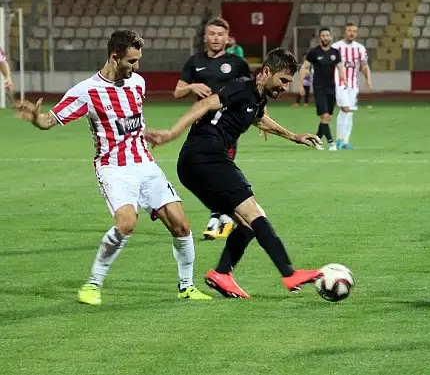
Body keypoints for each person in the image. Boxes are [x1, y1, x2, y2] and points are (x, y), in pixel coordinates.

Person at [13, 30, 211, 305]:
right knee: (127, 223)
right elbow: (49, 121)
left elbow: (130, 121)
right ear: (114, 57)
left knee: (182, 226)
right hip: (114, 168)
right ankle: (93, 284)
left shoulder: (137, 83)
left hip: (145, 164)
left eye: (138, 60)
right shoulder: (86, 91)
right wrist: (36, 118)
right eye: (131, 61)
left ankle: (187, 286)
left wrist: (147, 133)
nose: (136, 67)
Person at [144, 48, 323, 298]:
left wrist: (293, 136)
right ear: (266, 71)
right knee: (255, 214)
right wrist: (171, 133)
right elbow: (206, 103)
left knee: (248, 224)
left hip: (195, 164)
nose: (285, 87)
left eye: (288, 82)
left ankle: (222, 274)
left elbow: (259, 119)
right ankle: (289, 273)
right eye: (283, 80)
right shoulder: (241, 87)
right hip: (206, 156)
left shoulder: (257, 98)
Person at [172, 17, 251, 240]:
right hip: (200, 128)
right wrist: (192, 86)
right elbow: (177, 92)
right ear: (205, 37)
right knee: (199, 173)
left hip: (226, 129)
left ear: (227, 38)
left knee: (217, 174)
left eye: (220, 34)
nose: (216, 38)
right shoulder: (194, 62)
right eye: (212, 34)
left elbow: (252, 93)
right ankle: (225, 215)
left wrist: (261, 116)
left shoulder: (237, 64)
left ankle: (218, 217)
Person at [298, 27, 346, 151]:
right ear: (320, 38)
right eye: (323, 36)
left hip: (331, 88)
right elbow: (304, 67)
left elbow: (340, 67)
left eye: (327, 35)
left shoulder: (335, 52)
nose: (325, 38)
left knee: (327, 118)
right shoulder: (314, 52)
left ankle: (316, 139)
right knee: (324, 116)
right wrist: (300, 84)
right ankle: (331, 143)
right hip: (319, 88)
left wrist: (344, 79)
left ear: (331, 37)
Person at [332, 23, 372, 150]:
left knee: (349, 112)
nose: (352, 33)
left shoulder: (360, 48)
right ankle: (339, 140)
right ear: (344, 32)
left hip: (353, 85)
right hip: (339, 83)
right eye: (349, 30)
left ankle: (345, 141)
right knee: (346, 109)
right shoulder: (336, 47)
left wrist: (368, 80)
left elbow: (364, 65)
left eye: (354, 31)